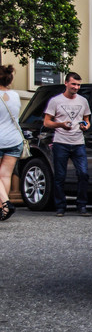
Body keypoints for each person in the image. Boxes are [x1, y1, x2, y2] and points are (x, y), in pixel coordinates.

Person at [43, 72, 91, 217]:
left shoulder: (83, 101)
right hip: (61, 142)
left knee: (83, 174)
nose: (76, 87)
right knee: (60, 176)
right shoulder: (55, 101)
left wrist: (86, 126)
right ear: (66, 83)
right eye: (74, 84)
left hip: (78, 142)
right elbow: (47, 122)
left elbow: (87, 120)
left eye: (78, 85)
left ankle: (82, 205)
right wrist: (61, 125)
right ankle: (60, 207)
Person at [0, 65, 23, 221]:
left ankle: (6, 203)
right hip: (14, 139)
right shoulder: (15, 95)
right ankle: (3, 210)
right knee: (5, 175)